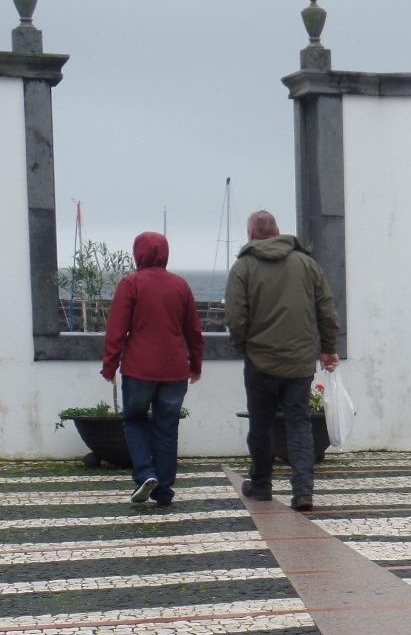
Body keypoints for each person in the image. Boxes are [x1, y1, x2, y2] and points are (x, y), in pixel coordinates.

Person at [224, 210, 340, 511]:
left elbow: (236, 318)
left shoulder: (243, 267)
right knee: (299, 424)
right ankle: (303, 491)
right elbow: (326, 309)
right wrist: (328, 347)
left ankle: (261, 485)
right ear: (277, 232)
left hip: (260, 362)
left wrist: (243, 347)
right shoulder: (306, 264)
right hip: (299, 363)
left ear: (251, 235)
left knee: (260, 425)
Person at [101, 232, 204, 507]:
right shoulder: (181, 286)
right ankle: (164, 490)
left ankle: (146, 473)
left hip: (139, 369)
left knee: (134, 420)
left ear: (139, 254)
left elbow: (116, 330)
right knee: (166, 427)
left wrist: (110, 365)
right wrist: (195, 364)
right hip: (174, 371)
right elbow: (193, 331)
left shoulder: (131, 284)